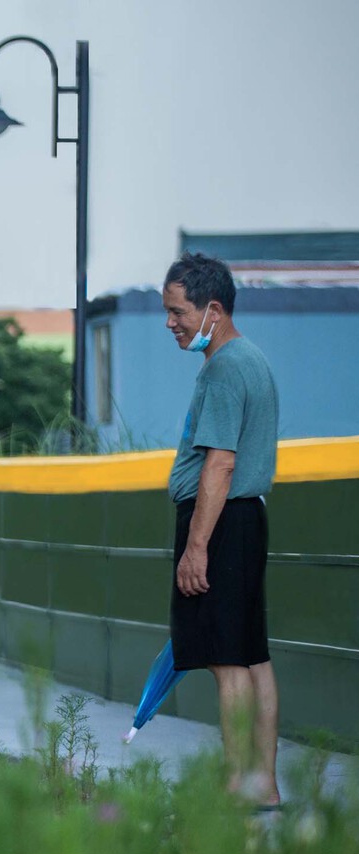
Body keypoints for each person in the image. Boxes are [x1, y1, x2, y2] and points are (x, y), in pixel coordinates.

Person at [162, 253, 281, 808]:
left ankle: (238, 786)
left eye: (178, 311)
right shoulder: (251, 358)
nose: (170, 323)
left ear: (213, 308)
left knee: (228, 660)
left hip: (222, 521)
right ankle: (264, 786)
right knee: (253, 656)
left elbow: (220, 463)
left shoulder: (225, 368)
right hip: (244, 519)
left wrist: (196, 548)